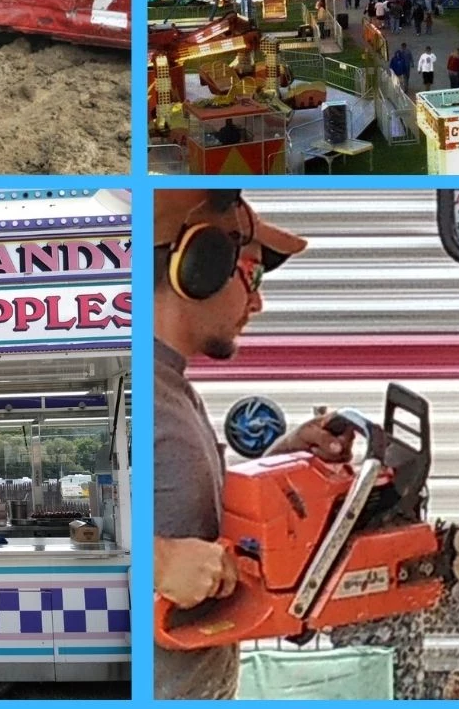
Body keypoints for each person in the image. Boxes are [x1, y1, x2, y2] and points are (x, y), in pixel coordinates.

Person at [154, 190, 353, 700]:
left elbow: (190, 524)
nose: (258, 302)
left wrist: (283, 460)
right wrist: (155, 562)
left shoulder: (169, 387)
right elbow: (16, 522)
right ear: (198, 266)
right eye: (254, 275)